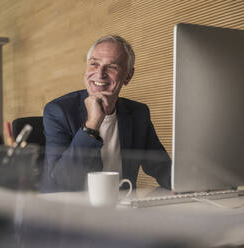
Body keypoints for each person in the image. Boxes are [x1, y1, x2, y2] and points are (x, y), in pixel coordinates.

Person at [40, 35, 171, 193]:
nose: (100, 73)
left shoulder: (138, 113)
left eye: (112, 67)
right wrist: (91, 126)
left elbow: (162, 168)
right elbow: (62, 182)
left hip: (118, 210)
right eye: (94, 64)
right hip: (68, 211)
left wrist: (193, 184)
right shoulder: (58, 111)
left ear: (128, 75)